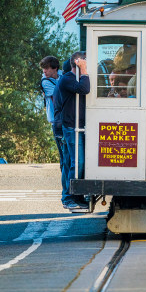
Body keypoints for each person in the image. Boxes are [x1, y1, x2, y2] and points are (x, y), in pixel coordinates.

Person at [53, 52, 90, 212]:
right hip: (70, 127)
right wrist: (85, 71)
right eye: (85, 62)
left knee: (70, 163)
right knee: (77, 162)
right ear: (77, 62)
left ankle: (73, 197)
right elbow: (84, 89)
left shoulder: (73, 78)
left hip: (77, 125)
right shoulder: (67, 78)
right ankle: (69, 198)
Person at [39, 56, 63, 168]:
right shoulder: (45, 81)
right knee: (63, 154)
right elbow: (57, 100)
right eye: (44, 68)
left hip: (67, 118)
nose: (44, 71)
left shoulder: (62, 75)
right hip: (56, 120)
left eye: (47, 68)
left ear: (55, 68)